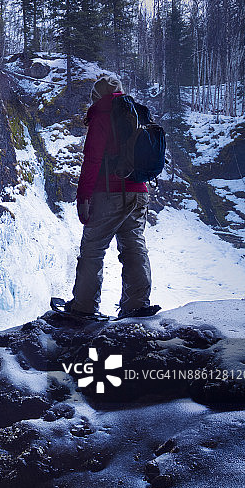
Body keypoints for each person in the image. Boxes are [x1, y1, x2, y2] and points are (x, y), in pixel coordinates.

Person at [65, 75, 159, 319]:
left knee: (93, 248)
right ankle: (137, 304)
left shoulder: (102, 113)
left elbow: (93, 158)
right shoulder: (138, 112)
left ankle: (84, 307)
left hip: (109, 192)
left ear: (98, 96)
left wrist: (84, 196)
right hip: (139, 191)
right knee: (134, 247)